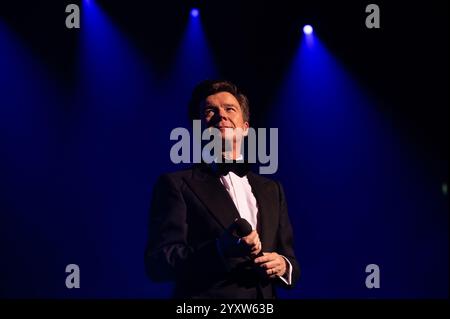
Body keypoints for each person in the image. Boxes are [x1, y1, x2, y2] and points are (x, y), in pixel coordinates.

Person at [144, 80, 300, 298]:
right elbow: (159, 263)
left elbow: (290, 259)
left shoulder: (272, 189)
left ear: (245, 128)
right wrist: (219, 249)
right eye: (210, 111)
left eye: (230, 109)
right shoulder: (175, 184)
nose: (221, 115)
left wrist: (283, 266)